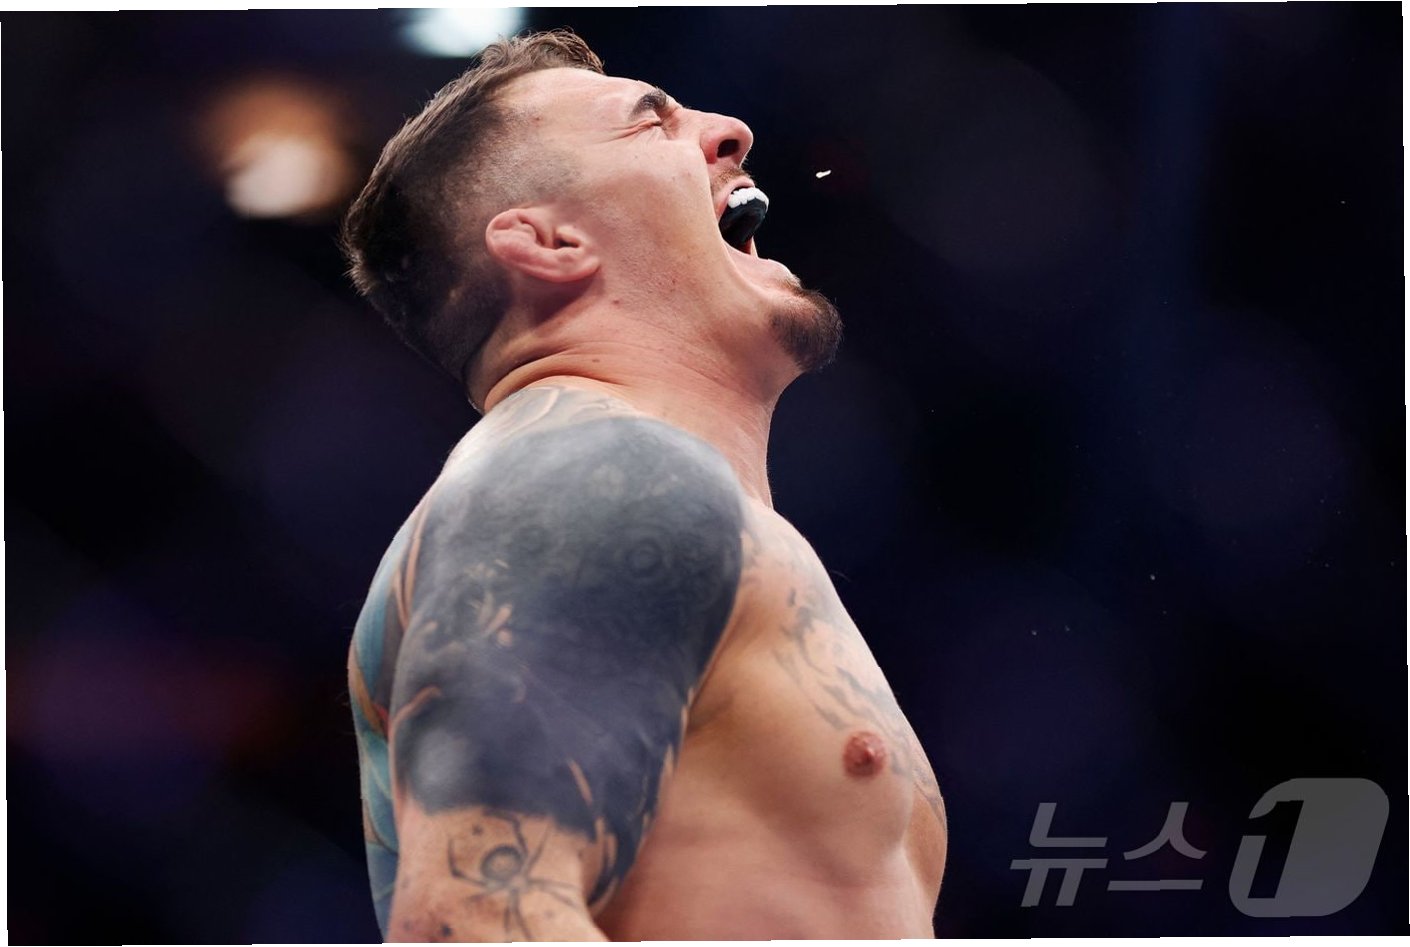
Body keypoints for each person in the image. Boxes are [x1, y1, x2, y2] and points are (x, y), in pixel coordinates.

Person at [341, 29, 946, 942]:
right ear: (551, 242)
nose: (733, 130)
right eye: (649, 123)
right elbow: (472, 914)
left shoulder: (656, 494)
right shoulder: (592, 473)